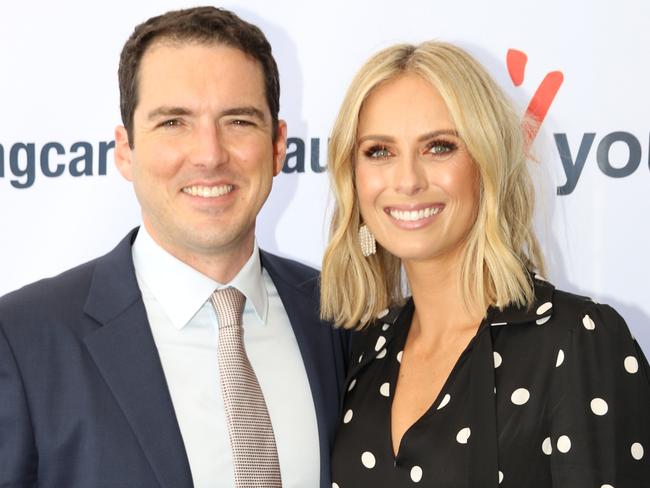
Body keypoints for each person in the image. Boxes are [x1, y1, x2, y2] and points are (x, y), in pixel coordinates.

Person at [0, 7, 348, 488]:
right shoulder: (22, 340)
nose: (209, 154)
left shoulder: (336, 314)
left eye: (239, 121)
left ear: (277, 145)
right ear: (124, 150)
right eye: (173, 123)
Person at [321, 41, 650, 487]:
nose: (408, 180)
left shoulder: (576, 342)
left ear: (486, 163)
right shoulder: (366, 348)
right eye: (379, 151)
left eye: (439, 147)